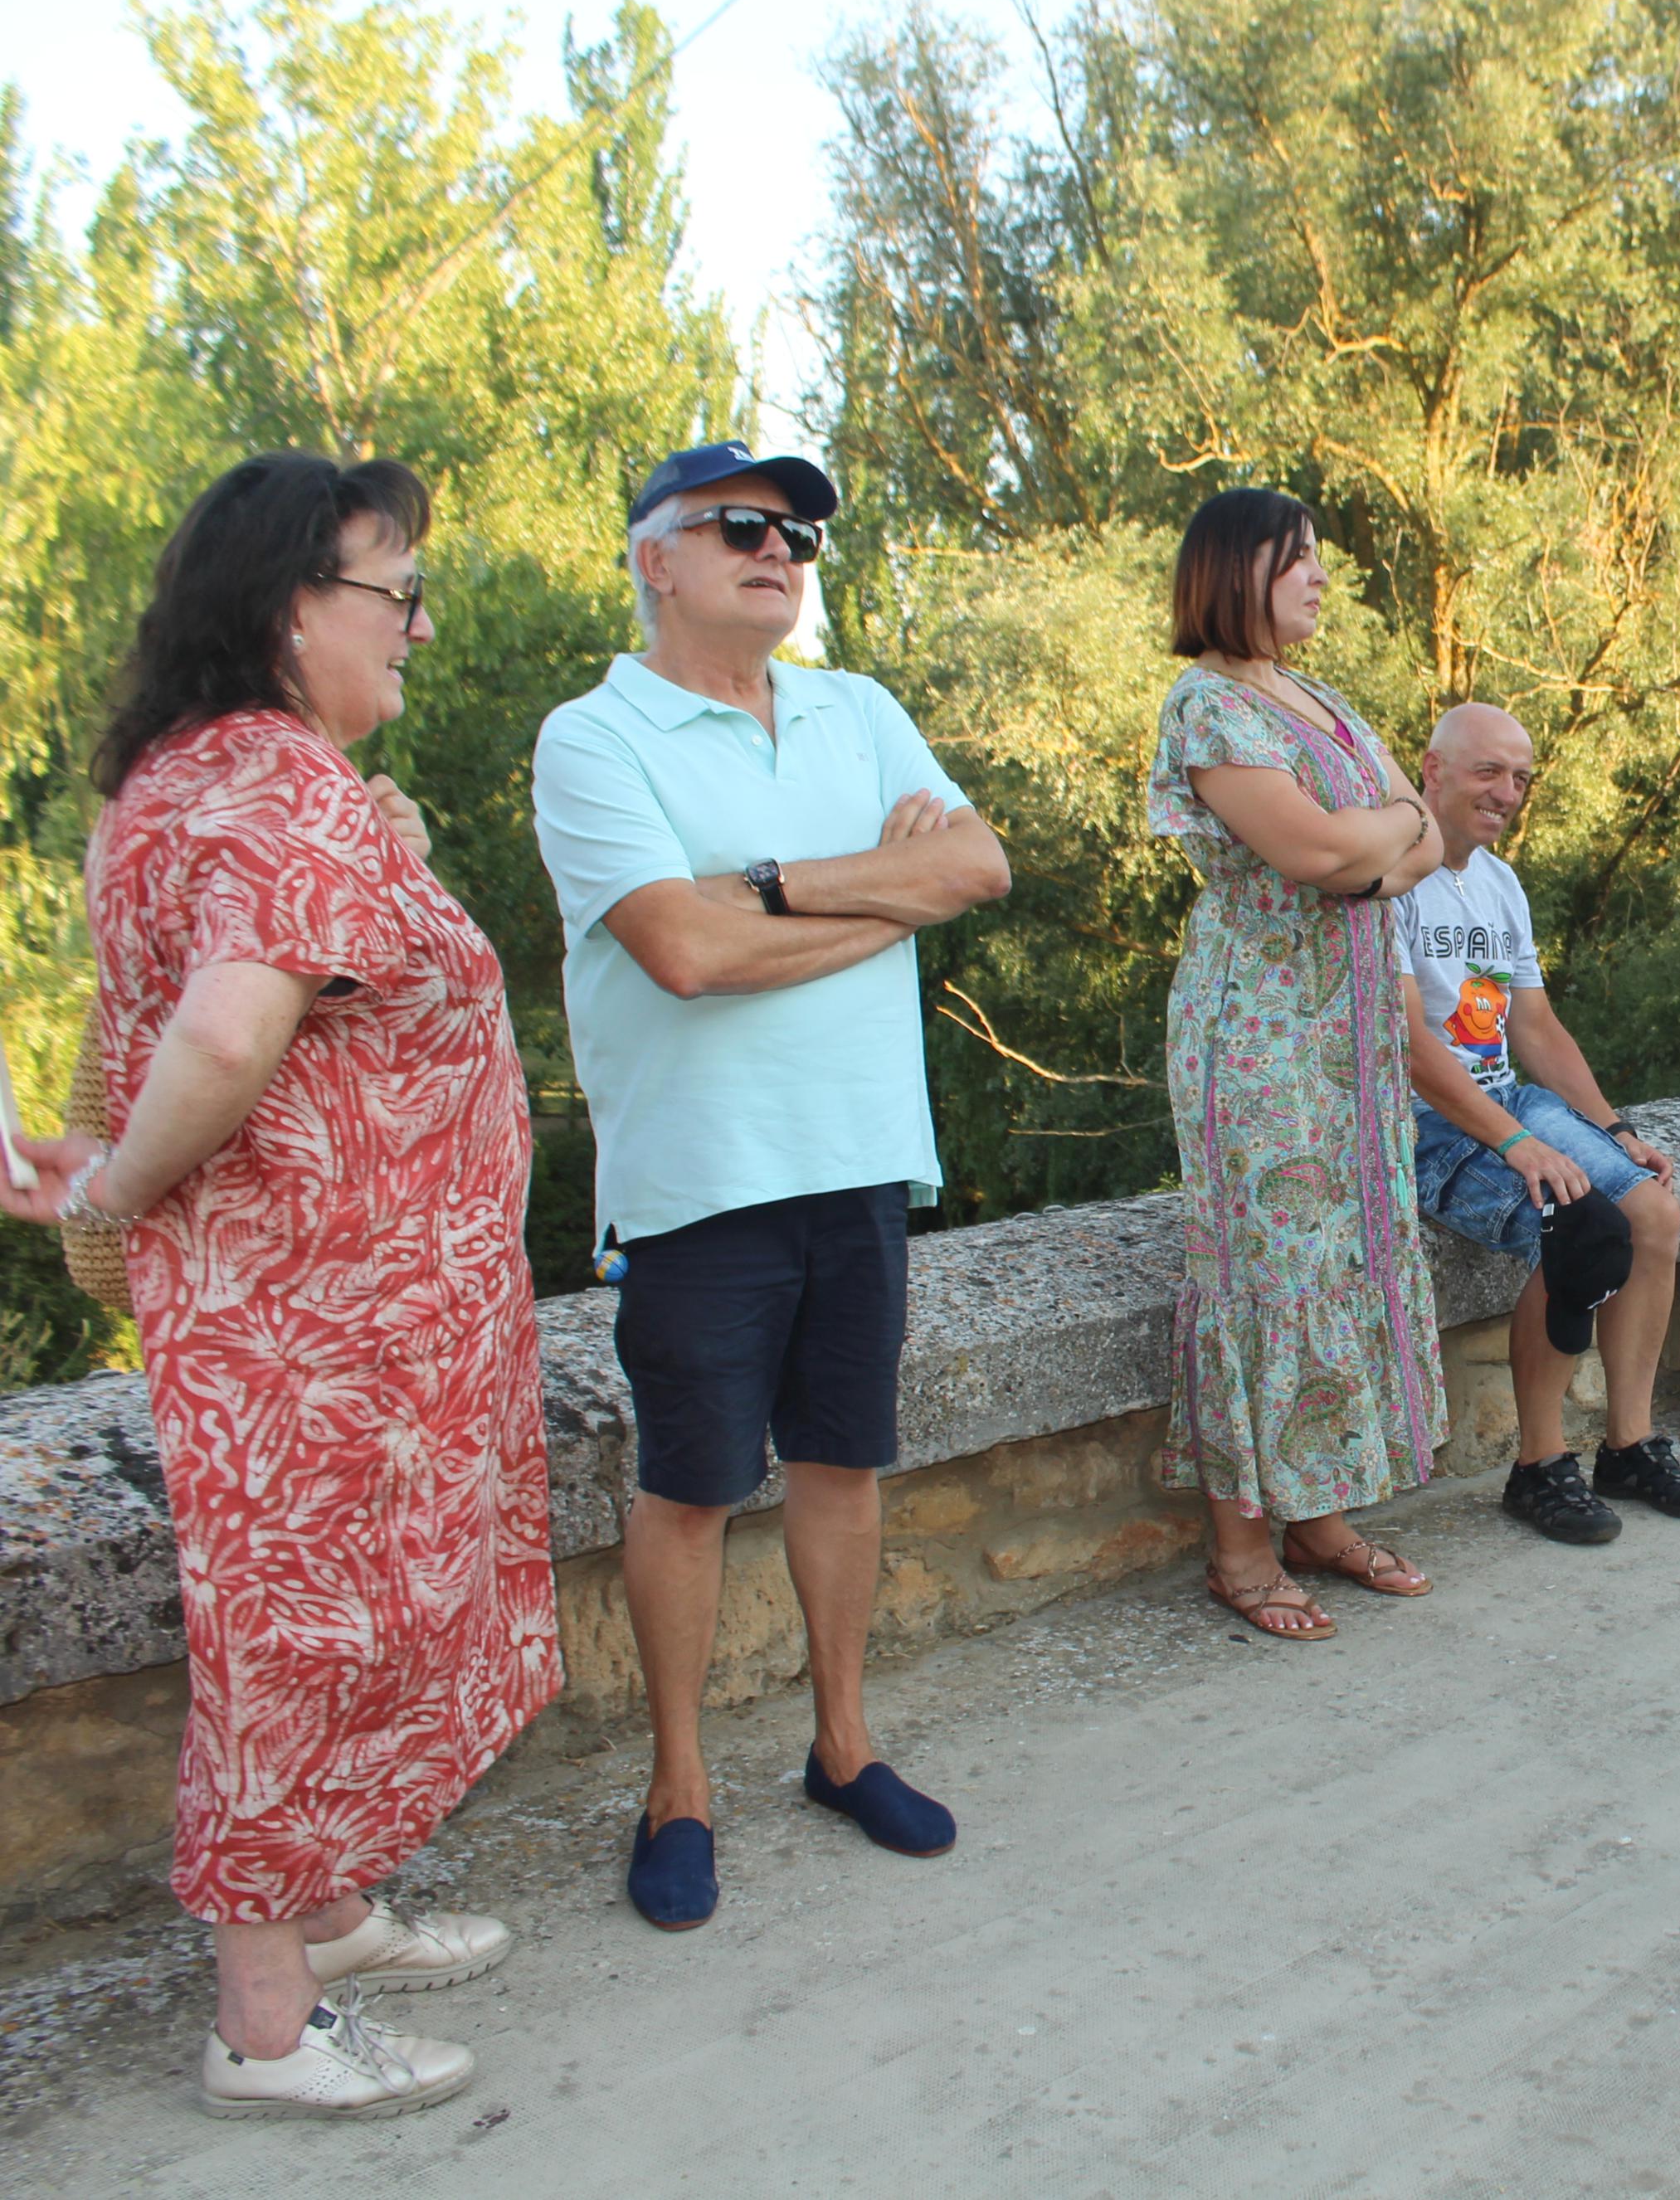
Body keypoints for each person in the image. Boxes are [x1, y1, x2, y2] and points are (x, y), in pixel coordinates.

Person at [0, 453, 554, 2117]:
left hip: (313, 1312)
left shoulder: (179, 781)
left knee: (326, 1613)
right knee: (299, 1634)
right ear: (289, 603)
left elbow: (188, 1026)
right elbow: (229, 1031)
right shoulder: (278, 781)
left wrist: (101, 1170)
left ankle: (325, 1912)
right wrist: (108, 1179)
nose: (420, 626)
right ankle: (264, 2023)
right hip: (326, 1322)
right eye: (396, 594)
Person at [535, 440, 1010, 1926]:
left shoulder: (856, 707)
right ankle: (678, 1787)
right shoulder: (592, 739)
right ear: (651, 559)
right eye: (737, 524)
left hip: (859, 1159)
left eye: (798, 530)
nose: (778, 547)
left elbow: (979, 869)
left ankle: (842, 1745)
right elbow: (683, 957)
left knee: (841, 1467)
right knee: (687, 1488)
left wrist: (775, 886)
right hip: (699, 1181)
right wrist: (883, 889)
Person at [1143, 486, 1449, 1639]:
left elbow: (1418, 824)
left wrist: (1374, 852)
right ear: (1235, 570)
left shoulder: (1311, 698)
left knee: (1343, 1255)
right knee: (1267, 1274)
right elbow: (1325, 848)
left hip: (1348, 1042)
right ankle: (1237, 1544)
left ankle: (1316, 1511)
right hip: (1260, 1044)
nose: (1321, 576)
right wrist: (1371, 851)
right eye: (1298, 559)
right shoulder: (1206, 706)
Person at [1396, 700, 1680, 1541]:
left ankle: (1628, 1443)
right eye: (1487, 771)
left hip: (1505, 1096)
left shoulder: (1497, 883)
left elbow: (1533, 1029)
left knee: (1652, 1206)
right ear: (1430, 769)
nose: (1506, 791)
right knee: (1576, 1226)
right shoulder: (1390, 875)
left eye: (1519, 777)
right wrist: (1517, 1144)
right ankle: (1538, 1465)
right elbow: (1406, 1048)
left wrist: (1613, 1130)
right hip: (1429, 1122)